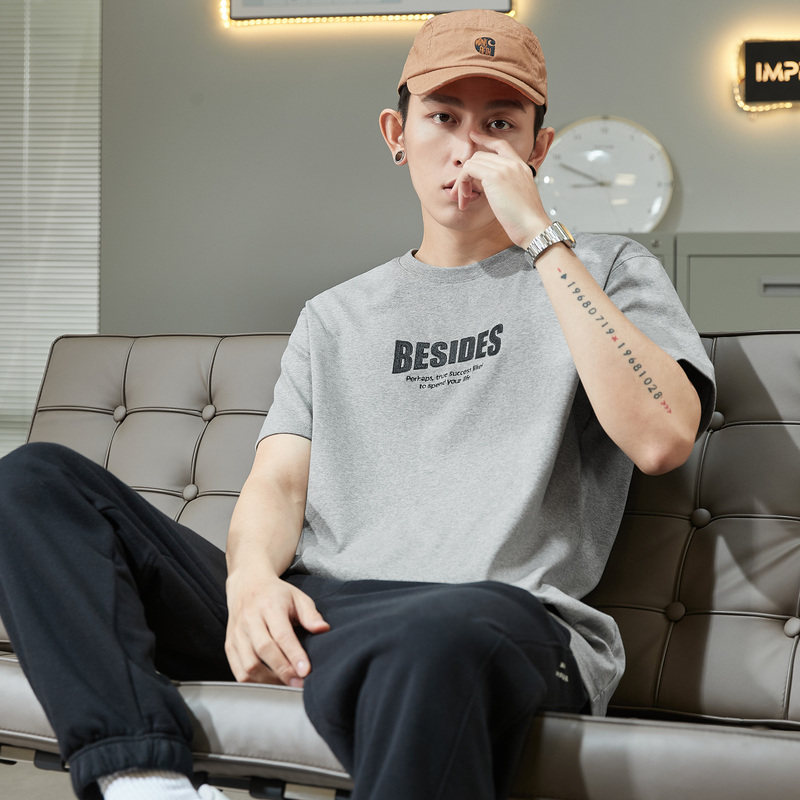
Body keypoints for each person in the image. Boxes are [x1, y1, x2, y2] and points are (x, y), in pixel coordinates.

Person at [0, 9, 716, 800]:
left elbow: (662, 437)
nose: (469, 147)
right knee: (33, 481)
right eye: (443, 118)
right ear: (396, 134)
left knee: (440, 632)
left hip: (491, 618)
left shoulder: (603, 271)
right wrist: (251, 583)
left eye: (499, 124)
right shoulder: (335, 317)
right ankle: (143, 780)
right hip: (322, 610)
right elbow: (279, 485)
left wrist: (541, 235)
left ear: (537, 149)